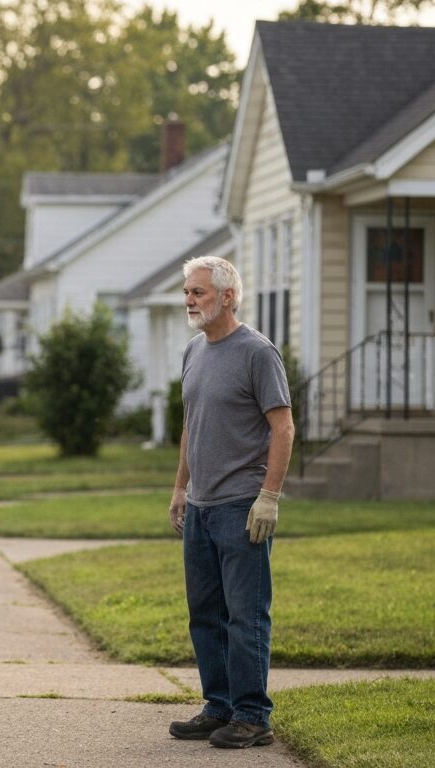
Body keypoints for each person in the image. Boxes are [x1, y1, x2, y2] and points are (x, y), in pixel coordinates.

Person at [168, 256, 293, 749]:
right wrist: (181, 488)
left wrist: (269, 497)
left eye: (198, 292)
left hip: (242, 506)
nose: (189, 301)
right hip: (200, 507)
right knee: (205, 613)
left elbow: (282, 427)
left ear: (227, 296)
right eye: (187, 292)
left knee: (246, 615)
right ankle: (218, 705)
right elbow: (189, 426)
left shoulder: (257, 352)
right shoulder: (193, 351)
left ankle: (252, 714)